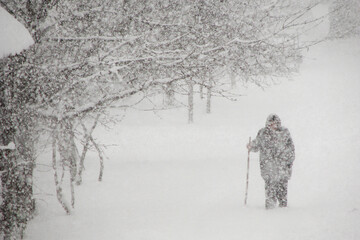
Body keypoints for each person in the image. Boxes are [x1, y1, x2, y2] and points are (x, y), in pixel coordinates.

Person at [247, 114, 295, 209]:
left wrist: (288, 162)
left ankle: (283, 210)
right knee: (270, 190)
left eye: (276, 123)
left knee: (282, 190)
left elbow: (291, 150)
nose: (273, 126)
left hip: (282, 168)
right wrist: (251, 146)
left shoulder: (284, 133)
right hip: (268, 168)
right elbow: (257, 144)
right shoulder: (263, 133)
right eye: (271, 124)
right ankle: (270, 210)